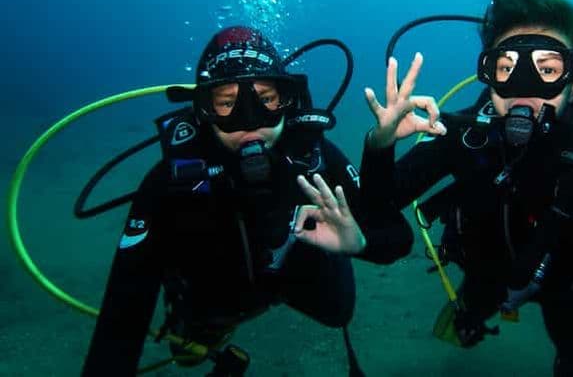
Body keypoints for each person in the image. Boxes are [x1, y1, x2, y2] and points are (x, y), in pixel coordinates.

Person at [358, 0, 573, 376]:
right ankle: (476, 311)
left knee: (567, 328)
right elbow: (379, 203)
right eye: (507, 69)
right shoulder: (466, 135)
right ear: (489, 76)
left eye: (547, 70)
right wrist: (379, 145)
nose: (523, 89)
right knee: (473, 305)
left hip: (564, 286)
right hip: (486, 270)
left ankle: (571, 351)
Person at [81, 25, 413, 376]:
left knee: (338, 311)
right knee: (187, 354)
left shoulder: (313, 157)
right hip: (220, 289)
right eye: (227, 103)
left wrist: (358, 242)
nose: (249, 120)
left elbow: (396, 239)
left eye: (266, 99)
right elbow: (122, 318)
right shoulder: (170, 182)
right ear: (203, 110)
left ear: (289, 100)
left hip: (296, 275)